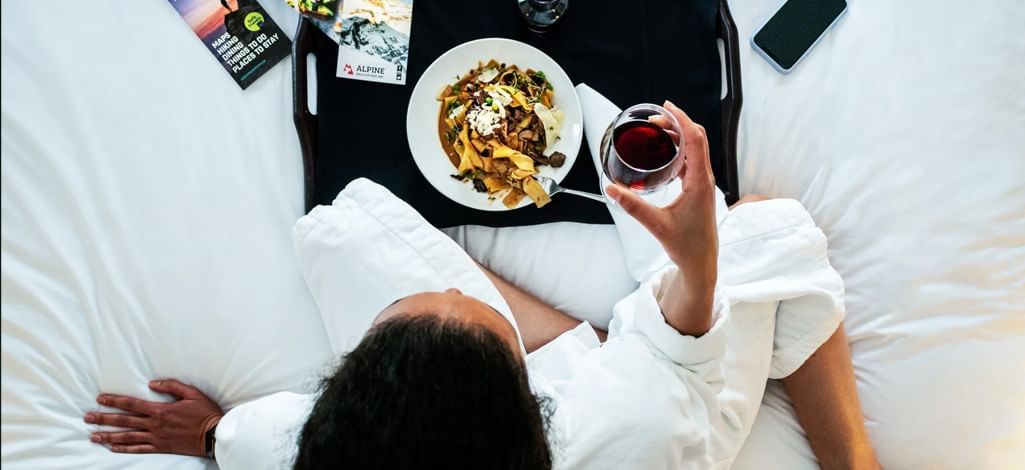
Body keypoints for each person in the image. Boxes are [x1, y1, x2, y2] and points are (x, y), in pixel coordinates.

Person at [83, 102, 880, 470]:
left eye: (408, 310)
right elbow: (682, 368)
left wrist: (206, 436)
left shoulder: (277, 442)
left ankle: (591, 343)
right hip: (655, 397)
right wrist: (698, 263)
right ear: (535, 411)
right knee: (765, 224)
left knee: (340, 230)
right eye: (485, 318)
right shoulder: (632, 435)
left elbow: (244, 445)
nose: (464, 291)